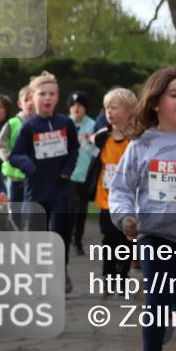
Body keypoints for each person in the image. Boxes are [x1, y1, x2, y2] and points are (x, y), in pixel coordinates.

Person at [109, 67, 176, 351]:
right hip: (155, 235)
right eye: (174, 95)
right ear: (154, 103)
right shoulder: (142, 145)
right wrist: (125, 217)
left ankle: (171, 317)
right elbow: (121, 189)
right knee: (156, 299)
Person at [8, 71, 79, 293]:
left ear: (57, 98)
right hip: (36, 191)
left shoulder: (65, 123)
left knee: (60, 233)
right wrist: (29, 166)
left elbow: (74, 149)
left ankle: (61, 272)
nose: (47, 98)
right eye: (42, 94)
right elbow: (15, 155)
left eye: (51, 94)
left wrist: (67, 170)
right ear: (32, 97)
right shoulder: (28, 127)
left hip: (60, 190)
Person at [89, 88, 137, 286]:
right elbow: (94, 164)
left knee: (126, 240)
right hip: (105, 200)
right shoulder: (102, 138)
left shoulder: (135, 139)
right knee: (109, 238)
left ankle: (123, 276)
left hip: (129, 201)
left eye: (114, 107)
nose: (109, 111)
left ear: (129, 111)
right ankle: (108, 276)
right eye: (107, 107)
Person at [68, 91, 97, 256]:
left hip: (86, 173)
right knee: (70, 207)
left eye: (79, 105)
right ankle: (69, 235)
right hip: (69, 174)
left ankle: (78, 239)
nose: (76, 108)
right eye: (73, 105)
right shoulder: (65, 124)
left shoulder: (92, 126)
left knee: (82, 209)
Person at [0, 85, 35, 202]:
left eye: (32, 99)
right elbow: (0, 145)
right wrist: (9, 157)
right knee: (14, 209)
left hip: (35, 176)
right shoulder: (12, 123)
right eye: (26, 100)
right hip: (15, 176)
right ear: (20, 104)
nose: (30, 103)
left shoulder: (42, 123)